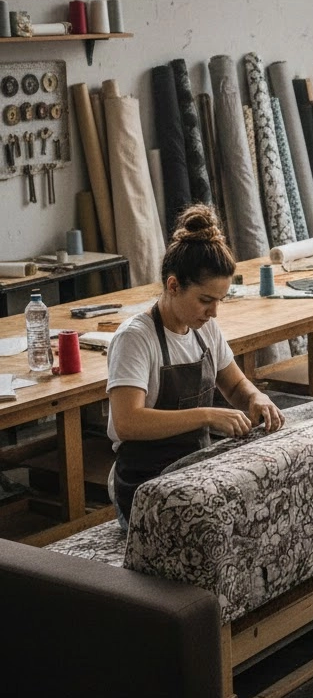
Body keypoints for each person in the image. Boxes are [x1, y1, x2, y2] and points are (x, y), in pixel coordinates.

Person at [107, 204, 284, 526]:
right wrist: (207, 415)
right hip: (146, 484)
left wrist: (256, 398)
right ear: (173, 286)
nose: (214, 312)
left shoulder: (204, 329)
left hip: (193, 468)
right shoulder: (136, 338)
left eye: (220, 300)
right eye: (205, 300)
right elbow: (127, 422)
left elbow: (233, 385)